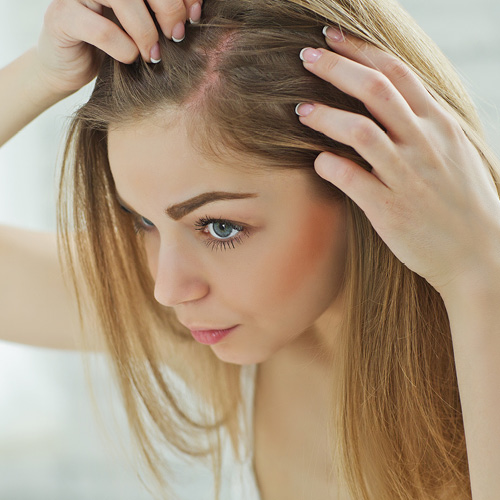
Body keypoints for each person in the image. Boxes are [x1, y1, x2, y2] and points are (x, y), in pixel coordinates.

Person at [1, 0, 500, 499]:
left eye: (219, 227)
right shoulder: (223, 333)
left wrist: (480, 274)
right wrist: (40, 73)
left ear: (368, 180)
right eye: (143, 221)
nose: (168, 289)